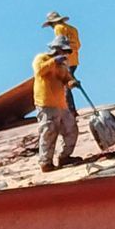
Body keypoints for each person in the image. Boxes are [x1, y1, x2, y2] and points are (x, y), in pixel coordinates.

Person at [33, 40, 78, 171]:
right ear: (55, 50)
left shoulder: (62, 65)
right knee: (49, 132)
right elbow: (40, 71)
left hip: (61, 104)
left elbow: (66, 78)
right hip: (46, 103)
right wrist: (53, 61)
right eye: (63, 51)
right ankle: (45, 162)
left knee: (71, 129)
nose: (65, 54)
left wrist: (72, 82)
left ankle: (65, 156)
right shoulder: (41, 58)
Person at [42, 11, 81, 82]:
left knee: (63, 80)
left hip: (66, 57)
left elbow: (60, 43)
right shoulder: (73, 29)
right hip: (74, 58)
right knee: (68, 77)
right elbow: (78, 44)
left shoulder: (58, 28)